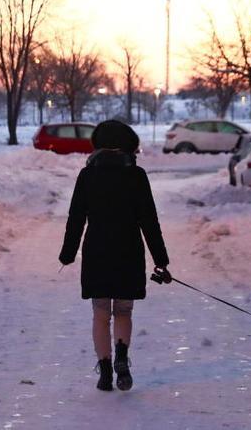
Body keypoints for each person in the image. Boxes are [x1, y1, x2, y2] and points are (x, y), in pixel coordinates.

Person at [58, 120, 171, 392]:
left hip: (97, 249)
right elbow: (149, 220)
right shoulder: (137, 175)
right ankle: (122, 357)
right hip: (128, 250)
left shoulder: (87, 176)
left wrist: (68, 254)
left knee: (100, 313)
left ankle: (105, 370)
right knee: (123, 310)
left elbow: (76, 218)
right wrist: (160, 259)